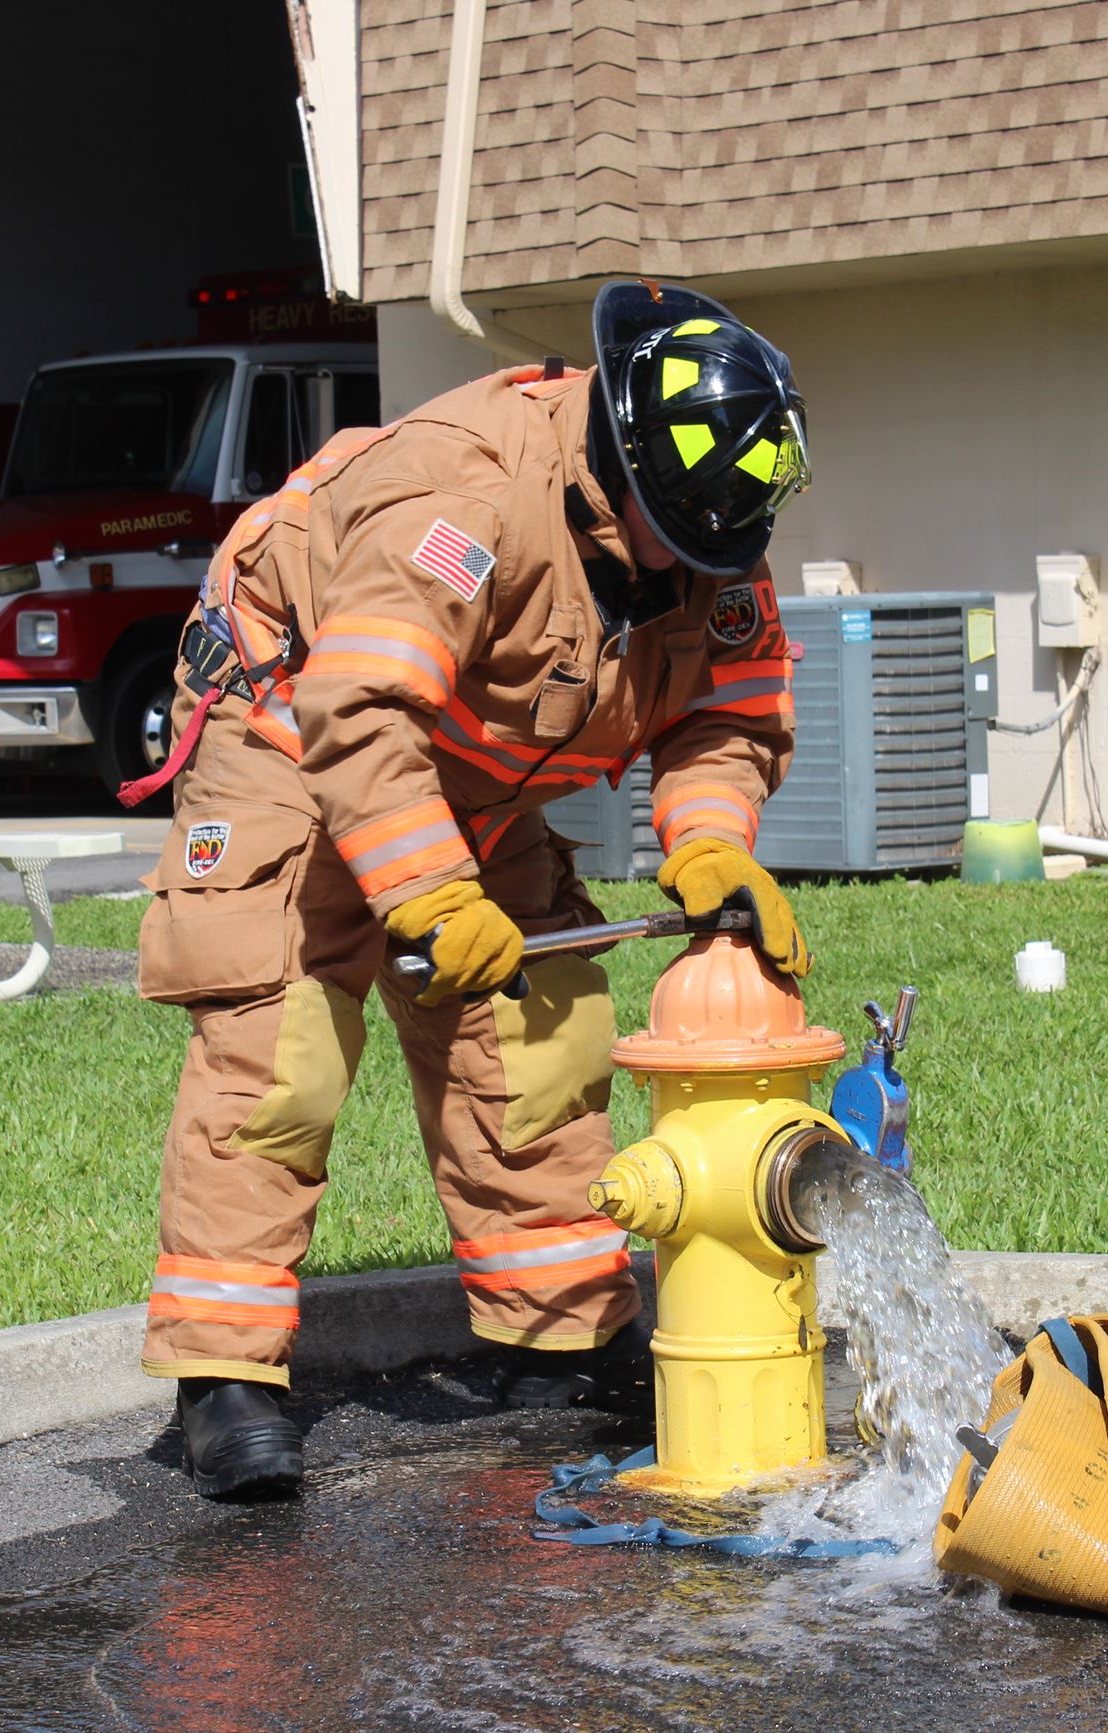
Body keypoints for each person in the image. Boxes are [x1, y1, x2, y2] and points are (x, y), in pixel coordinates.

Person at [120, 281, 817, 1500]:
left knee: (539, 1027)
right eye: (673, 538)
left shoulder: (712, 517)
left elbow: (725, 711)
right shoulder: (460, 495)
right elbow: (360, 707)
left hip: (467, 761)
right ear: (619, 462)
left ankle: (555, 1335)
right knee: (284, 1043)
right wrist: (431, 893)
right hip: (289, 719)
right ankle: (226, 1377)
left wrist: (711, 844)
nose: (690, 570)